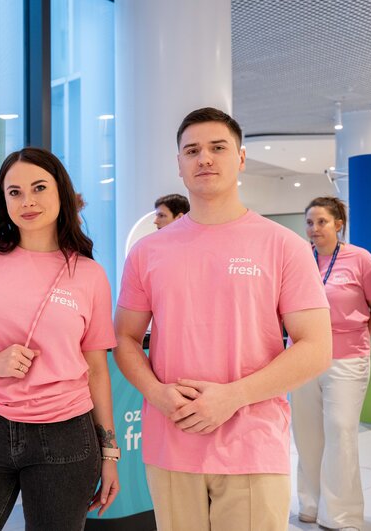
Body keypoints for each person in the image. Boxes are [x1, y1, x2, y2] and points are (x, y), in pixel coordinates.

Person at [114, 107, 332, 531]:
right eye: (192, 150)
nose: (205, 158)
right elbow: (125, 338)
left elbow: (316, 347)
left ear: (241, 158)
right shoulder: (148, 252)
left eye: (218, 147)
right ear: (179, 164)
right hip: (171, 440)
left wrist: (233, 397)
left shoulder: (282, 245)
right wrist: (157, 394)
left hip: (252, 443)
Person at [0, 147, 120, 531]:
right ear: (3, 201)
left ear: (61, 192)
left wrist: (110, 453)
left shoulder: (89, 274)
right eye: (14, 192)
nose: (27, 201)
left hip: (66, 435)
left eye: (39, 188)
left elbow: (97, 370)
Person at [290, 196, 371, 530]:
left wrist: (356, 338)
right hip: (302, 358)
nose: (314, 229)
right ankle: (311, 503)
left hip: (347, 359)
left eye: (322, 222)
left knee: (341, 432)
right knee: (306, 435)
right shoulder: (299, 259)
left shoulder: (361, 260)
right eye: (309, 222)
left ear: (338, 224)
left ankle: (342, 514)